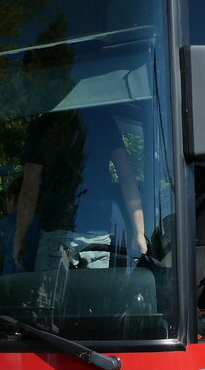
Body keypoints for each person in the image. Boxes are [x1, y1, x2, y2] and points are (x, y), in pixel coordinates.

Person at [12, 104, 148, 271]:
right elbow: (127, 177)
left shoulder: (45, 124)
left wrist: (19, 237)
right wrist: (139, 232)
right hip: (98, 237)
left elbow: (29, 189)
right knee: (92, 296)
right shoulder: (103, 120)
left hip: (57, 233)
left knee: (53, 296)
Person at [0, 178, 37, 279]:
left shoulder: (1, 225)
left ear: (12, 198)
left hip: (10, 286)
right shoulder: (43, 222)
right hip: (39, 284)